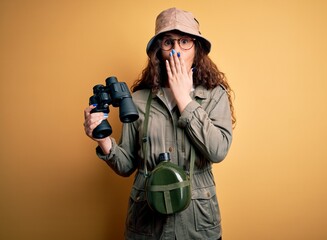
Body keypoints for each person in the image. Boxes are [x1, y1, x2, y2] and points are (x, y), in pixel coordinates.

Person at [83, 7, 235, 240]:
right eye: (168, 42)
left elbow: (217, 150)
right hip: (146, 226)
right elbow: (126, 166)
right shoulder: (138, 99)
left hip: (197, 225)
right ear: (158, 51)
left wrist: (185, 99)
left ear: (197, 49)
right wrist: (103, 141)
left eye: (185, 42)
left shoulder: (214, 96)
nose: (176, 51)